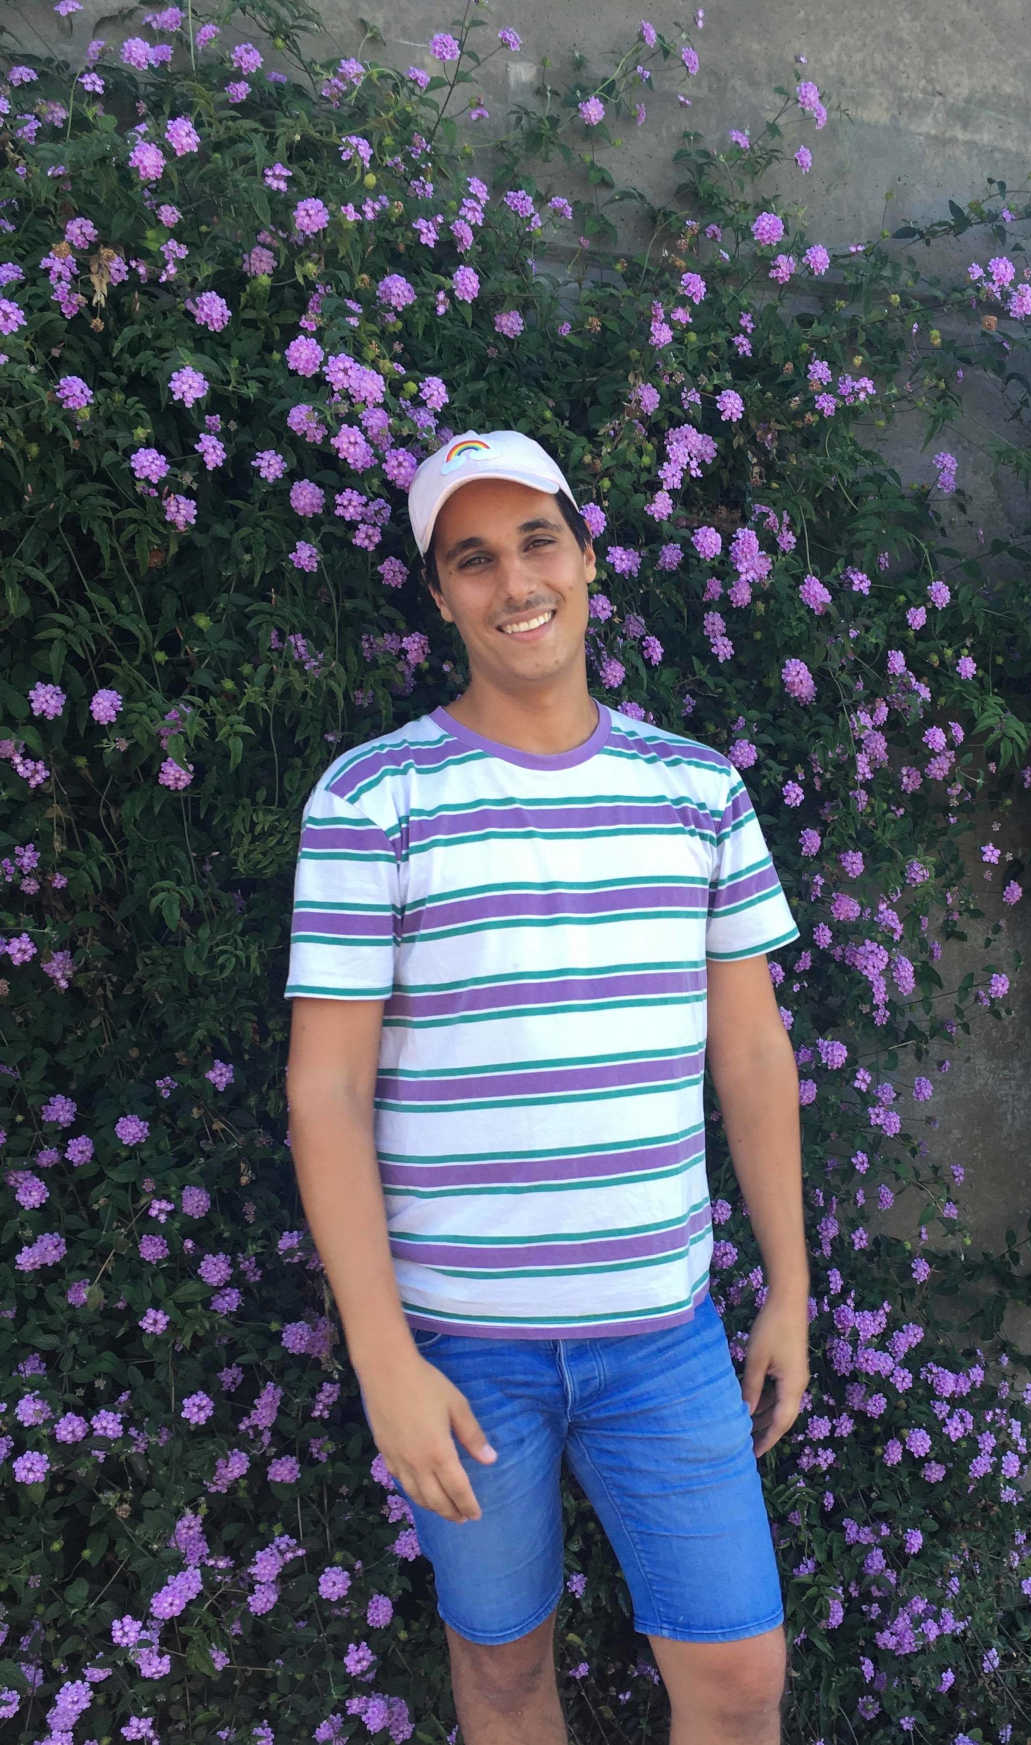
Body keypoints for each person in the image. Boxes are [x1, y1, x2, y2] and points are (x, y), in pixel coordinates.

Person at [283, 429, 809, 1745]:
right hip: (464, 1360)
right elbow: (326, 1094)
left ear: (586, 557)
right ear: (442, 593)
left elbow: (749, 1052)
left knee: (741, 1680)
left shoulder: (696, 790)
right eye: (473, 558)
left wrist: (790, 1286)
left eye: (537, 542)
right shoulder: (373, 798)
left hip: (665, 1340)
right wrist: (384, 1358)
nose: (514, 581)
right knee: (506, 1678)